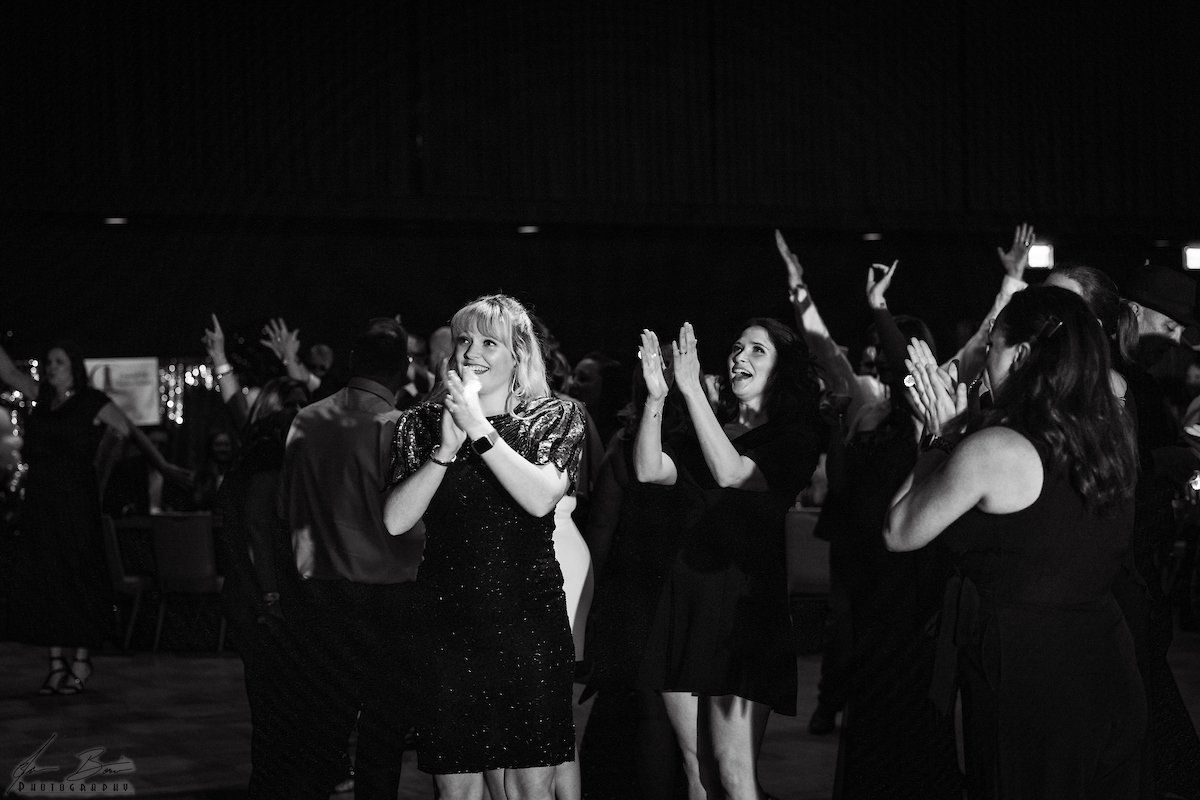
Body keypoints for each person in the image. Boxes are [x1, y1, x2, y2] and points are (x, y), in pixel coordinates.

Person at [886, 285, 1146, 798]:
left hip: (1030, 676)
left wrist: (940, 437)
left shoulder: (995, 448)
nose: (984, 363)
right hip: (1108, 661)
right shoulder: (1110, 433)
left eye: (991, 347)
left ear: (1022, 355)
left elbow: (900, 530)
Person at [384, 294, 585, 800]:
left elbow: (539, 499)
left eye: (489, 342)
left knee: (529, 787)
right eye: (464, 340)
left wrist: (478, 428)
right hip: (447, 623)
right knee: (456, 787)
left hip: (528, 622)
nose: (471, 351)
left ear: (519, 354)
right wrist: (445, 450)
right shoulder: (420, 423)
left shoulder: (554, 417)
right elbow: (395, 521)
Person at [635, 318, 823, 800]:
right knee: (695, 769)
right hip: (686, 602)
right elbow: (649, 469)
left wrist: (692, 390)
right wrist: (658, 398)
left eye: (757, 350)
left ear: (783, 370)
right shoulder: (711, 428)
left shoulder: (795, 436)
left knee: (734, 773)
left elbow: (732, 473)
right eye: (737, 347)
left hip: (744, 612)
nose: (740, 356)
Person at [278, 317, 426, 800]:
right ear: (403, 369)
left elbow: (287, 504)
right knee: (383, 730)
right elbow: (409, 519)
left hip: (317, 592)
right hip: (385, 597)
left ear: (352, 363)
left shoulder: (307, 419)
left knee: (322, 723)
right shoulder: (396, 427)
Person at [0, 339, 191, 694]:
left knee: (78, 576)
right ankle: (56, 663)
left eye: (59, 361)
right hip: (42, 503)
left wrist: (162, 465)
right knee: (49, 579)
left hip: (76, 502)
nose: (51, 367)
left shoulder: (91, 401)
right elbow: (9, 372)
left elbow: (130, 429)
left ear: (74, 365)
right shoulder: (42, 397)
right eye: (49, 361)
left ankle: (81, 660)